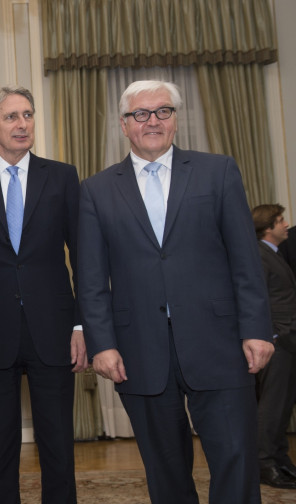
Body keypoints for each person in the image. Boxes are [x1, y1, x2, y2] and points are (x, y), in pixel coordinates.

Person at [77, 80, 274, 504]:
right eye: (141, 114)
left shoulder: (217, 170)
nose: (153, 121)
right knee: (164, 470)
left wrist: (257, 329)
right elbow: (91, 279)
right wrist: (102, 344)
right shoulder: (95, 190)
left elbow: (245, 259)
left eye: (163, 111)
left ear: (176, 120)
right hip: (139, 350)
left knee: (236, 460)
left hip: (219, 343)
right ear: (124, 125)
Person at [0, 86, 86, 503]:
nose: (22, 123)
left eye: (27, 114)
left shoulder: (62, 176)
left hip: (55, 328)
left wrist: (83, 324)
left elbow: (83, 255)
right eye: (11, 117)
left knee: (58, 445)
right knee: (0, 448)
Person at [252, 204, 296, 489]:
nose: (285, 225)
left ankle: (280, 459)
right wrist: (274, 335)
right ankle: (265, 464)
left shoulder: (274, 254)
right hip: (277, 342)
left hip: (287, 340)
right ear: (268, 227)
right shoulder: (259, 255)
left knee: (282, 407)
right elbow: (255, 298)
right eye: (280, 221)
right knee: (272, 407)